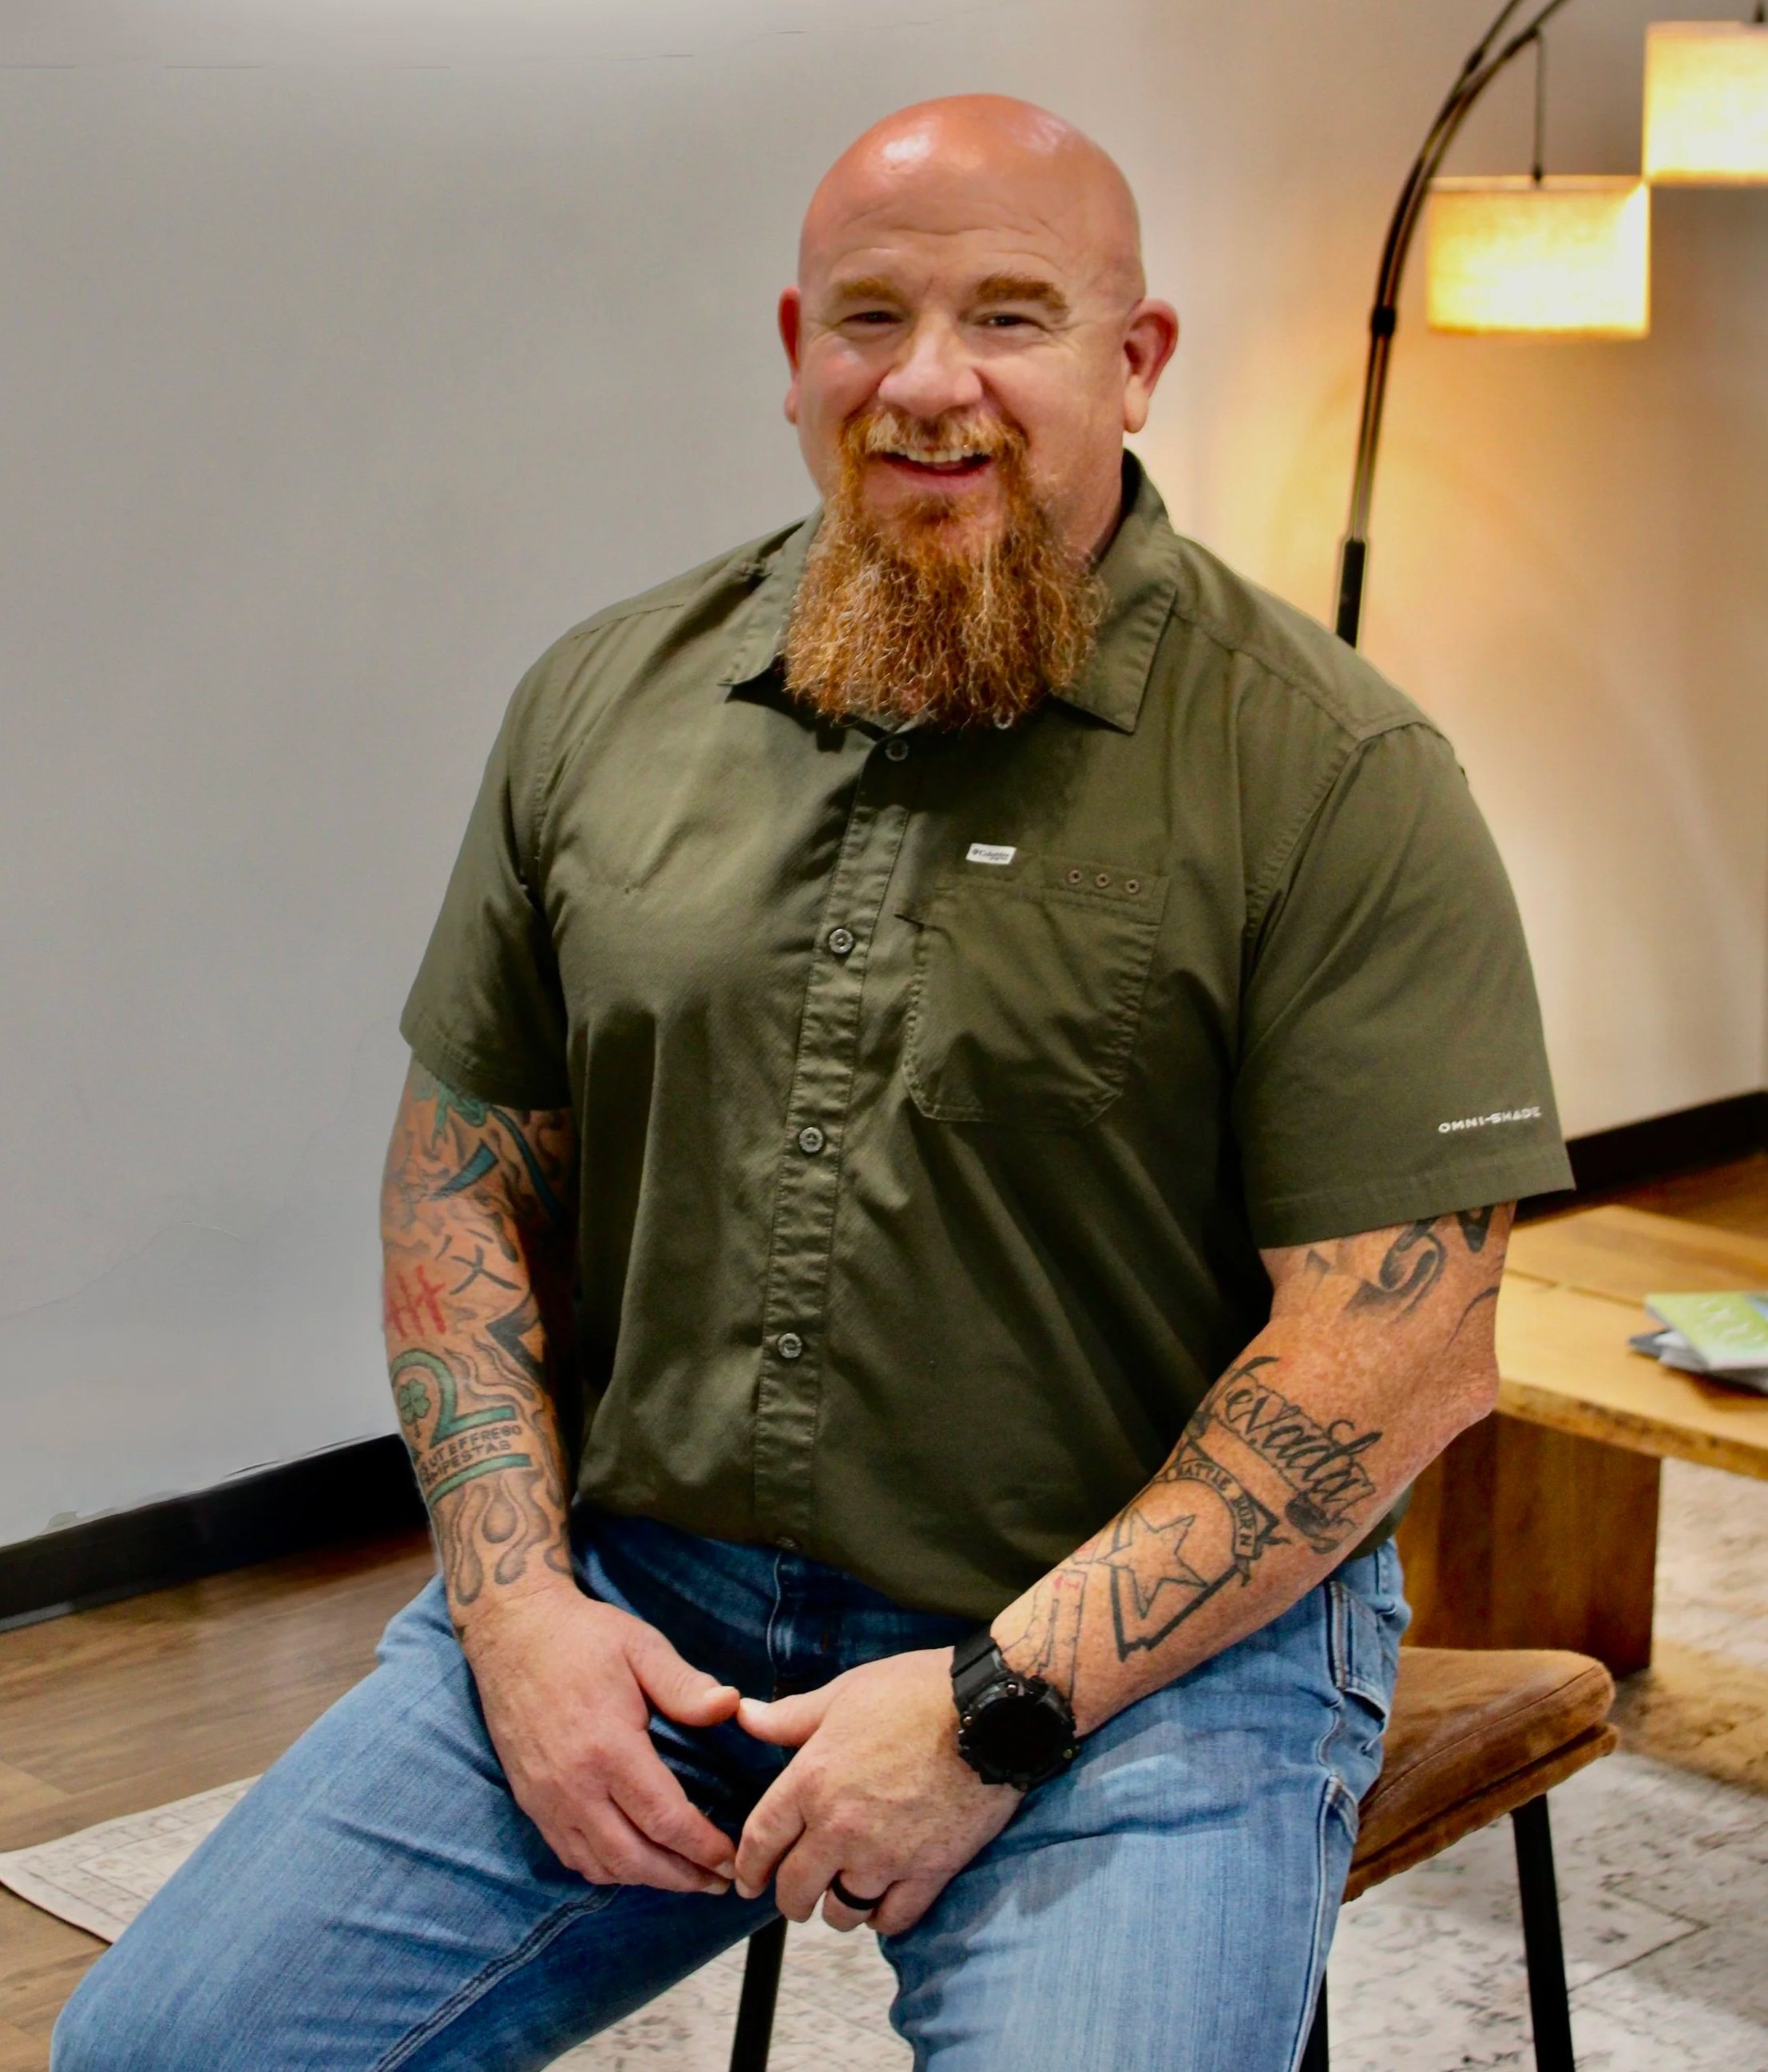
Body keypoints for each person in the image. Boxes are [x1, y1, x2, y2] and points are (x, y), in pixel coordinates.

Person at [53, 93, 1572, 2072]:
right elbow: (461, 1184)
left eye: (1010, 316)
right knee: (155, 2053)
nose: (929, 381)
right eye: (872, 317)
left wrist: (994, 1704)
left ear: (1136, 361)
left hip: (1138, 1658)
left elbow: (1403, 1343)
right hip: (650, 1592)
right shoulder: (602, 702)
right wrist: (517, 1615)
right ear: (796, 352)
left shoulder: (1337, 774)